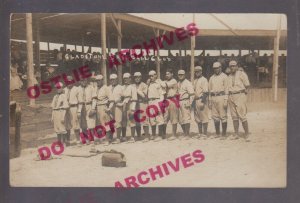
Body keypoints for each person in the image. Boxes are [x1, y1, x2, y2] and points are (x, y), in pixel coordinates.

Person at [227, 60, 250, 141]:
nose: (232, 67)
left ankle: (247, 134)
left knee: (242, 115)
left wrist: (244, 94)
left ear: (237, 66)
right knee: (234, 116)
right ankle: (236, 134)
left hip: (240, 94)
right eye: (231, 66)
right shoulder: (229, 76)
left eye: (234, 66)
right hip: (231, 95)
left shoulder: (242, 74)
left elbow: (247, 85)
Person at [208, 62, 229, 139]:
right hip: (213, 97)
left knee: (223, 116)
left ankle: (224, 134)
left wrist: (226, 99)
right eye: (214, 68)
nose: (216, 69)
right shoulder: (211, 78)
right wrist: (210, 101)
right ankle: (217, 133)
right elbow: (210, 90)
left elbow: (227, 89)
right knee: (215, 116)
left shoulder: (224, 76)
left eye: (217, 68)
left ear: (220, 68)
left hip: (221, 96)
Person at [93, 75, 113, 145]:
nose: (98, 82)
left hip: (104, 106)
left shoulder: (106, 88)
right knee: (99, 124)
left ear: (102, 80)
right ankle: (101, 139)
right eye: (97, 81)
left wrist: (109, 108)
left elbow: (111, 100)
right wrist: (93, 108)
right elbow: (94, 99)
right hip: (97, 107)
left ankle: (107, 140)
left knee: (106, 124)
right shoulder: (95, 88)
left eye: (99, 80)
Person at [77, 78, 97, 144]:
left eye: (85, 80)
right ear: (80, 81)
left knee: (91, 123)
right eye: (82, 80)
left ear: (87, 80)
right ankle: (86, 139)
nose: (83, 82)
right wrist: (78, 110)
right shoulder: (78, 89)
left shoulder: (91, 88)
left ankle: (92, 140)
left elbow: (94, 99)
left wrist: (93, 108)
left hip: (89, 105)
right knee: (83, 124)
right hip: (81, 106)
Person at [147, 70, 165, 141]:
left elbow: (162, 94)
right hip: (150, 101)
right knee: (152, 119)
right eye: (150, 76)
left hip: (157, 101)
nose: (151, 77)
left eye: (152, 76)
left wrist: (160, 104)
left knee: (159, 118)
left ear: (156, 75)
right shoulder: (149, 84)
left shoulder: (159, 83)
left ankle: (160, 135)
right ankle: (153, 135)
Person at [133, 72, 150, 141]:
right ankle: (139, 136)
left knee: (144, 119)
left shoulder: (144, 85)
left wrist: (138, 91)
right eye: (135, 77)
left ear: (141, 77)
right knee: (137, 120)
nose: (137, 78)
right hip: (135, 103)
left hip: (143, 103)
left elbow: (145, 96)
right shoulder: (132, 85)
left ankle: (146, 136)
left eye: (138, 77)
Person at [177, 69, 195, 138]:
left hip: (185, 100)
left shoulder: (187, 83)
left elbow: (192, 94)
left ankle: (187, 134)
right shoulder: (178, 83)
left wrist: (190, 103)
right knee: (180, 119)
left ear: (184, 75)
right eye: (179, 75)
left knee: (186, 118)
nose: (180, 76)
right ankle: (184, 133)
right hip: (179, 101)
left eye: (182, 75)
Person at [63, 76, 80, 146]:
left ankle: (78, 140)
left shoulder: (76, 89)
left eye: (70, 82)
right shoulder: (64, 90)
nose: (69, 83)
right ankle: (67, 141)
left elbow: (79, 101)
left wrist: (79, 110)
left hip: (74, 107)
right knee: (67, 125)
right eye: (67, 82)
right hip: (66, 109)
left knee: (75, 124)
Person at [108, 74, 125, 143]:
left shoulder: (121, 87)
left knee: (118, 122)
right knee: (110, 123)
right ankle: (111, 138)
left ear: (117, 79)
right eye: (111, 79)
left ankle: (118, 138)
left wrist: (121, 103)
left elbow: (124, 97)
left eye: (114, 79)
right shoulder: (108, 87)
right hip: (110, 106)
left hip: (118, 106)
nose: (113, 81)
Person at [193, 66, 209, 139]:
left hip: (201, 99)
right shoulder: (195, 80)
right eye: (196, 71)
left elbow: (205, 92)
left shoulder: (204, 80)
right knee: (197, 118)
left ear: (201, 71)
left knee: (204, 117)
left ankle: (205, 134)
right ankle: (200, 133)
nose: (197, 73)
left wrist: (203, 102)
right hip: (195, 100)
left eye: (198, 71)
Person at [163, 69, 179, 141]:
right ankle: (164, 134)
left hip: (173, 99)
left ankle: (174, 135)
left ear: (172, 74)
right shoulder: (166, 81)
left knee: (173, 117)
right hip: (166, 100)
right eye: (166, 74)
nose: (167, 75)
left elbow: (165, 85)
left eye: (168, 74)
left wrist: (158, 81)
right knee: (165, 117)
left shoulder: (174, 81)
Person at [122, 73, 138, 143]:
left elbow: (134, 98)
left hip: (131, 103)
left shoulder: (133, 87)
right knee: (123, 121)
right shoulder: (122, 87)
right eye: (124, 78)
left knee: (132, 120)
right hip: (124, 104)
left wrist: (133, 109)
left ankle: (132, 137)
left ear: (130, 79)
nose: (125, 80)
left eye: (127, 78)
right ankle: (124, 137)